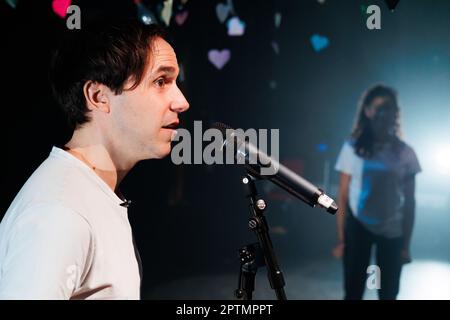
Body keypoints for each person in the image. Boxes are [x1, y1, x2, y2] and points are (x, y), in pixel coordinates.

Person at [0, 20, 189, 299]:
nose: (181, 101)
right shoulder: (58, 211)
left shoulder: (91, 191)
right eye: (161, 81)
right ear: (99, 97)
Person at [332, 84, 421, 300]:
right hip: (358, 226)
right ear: (368, 111)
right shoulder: (352, 148)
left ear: (396, 114)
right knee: (352, 293)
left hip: (392, 230)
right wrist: (343, 239)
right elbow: (342, 196)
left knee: (388, 293)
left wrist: (406, 245)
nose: (385, 113)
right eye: (379, 107)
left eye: (390, 108)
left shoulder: (406, 152)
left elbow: (410, 201)